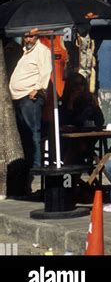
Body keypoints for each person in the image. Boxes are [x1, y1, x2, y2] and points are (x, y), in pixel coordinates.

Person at [9, 33, 51, 191]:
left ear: (37, 37)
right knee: (24, 132)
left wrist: (37, 89)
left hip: (30, 97)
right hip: (19, 97)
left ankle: (36, 166)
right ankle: (28, 163)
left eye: (30, 37)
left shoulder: (42, 51)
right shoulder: (25, 52)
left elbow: (46, 71)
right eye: (25, 37)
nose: (27, 39)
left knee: (33, 131)